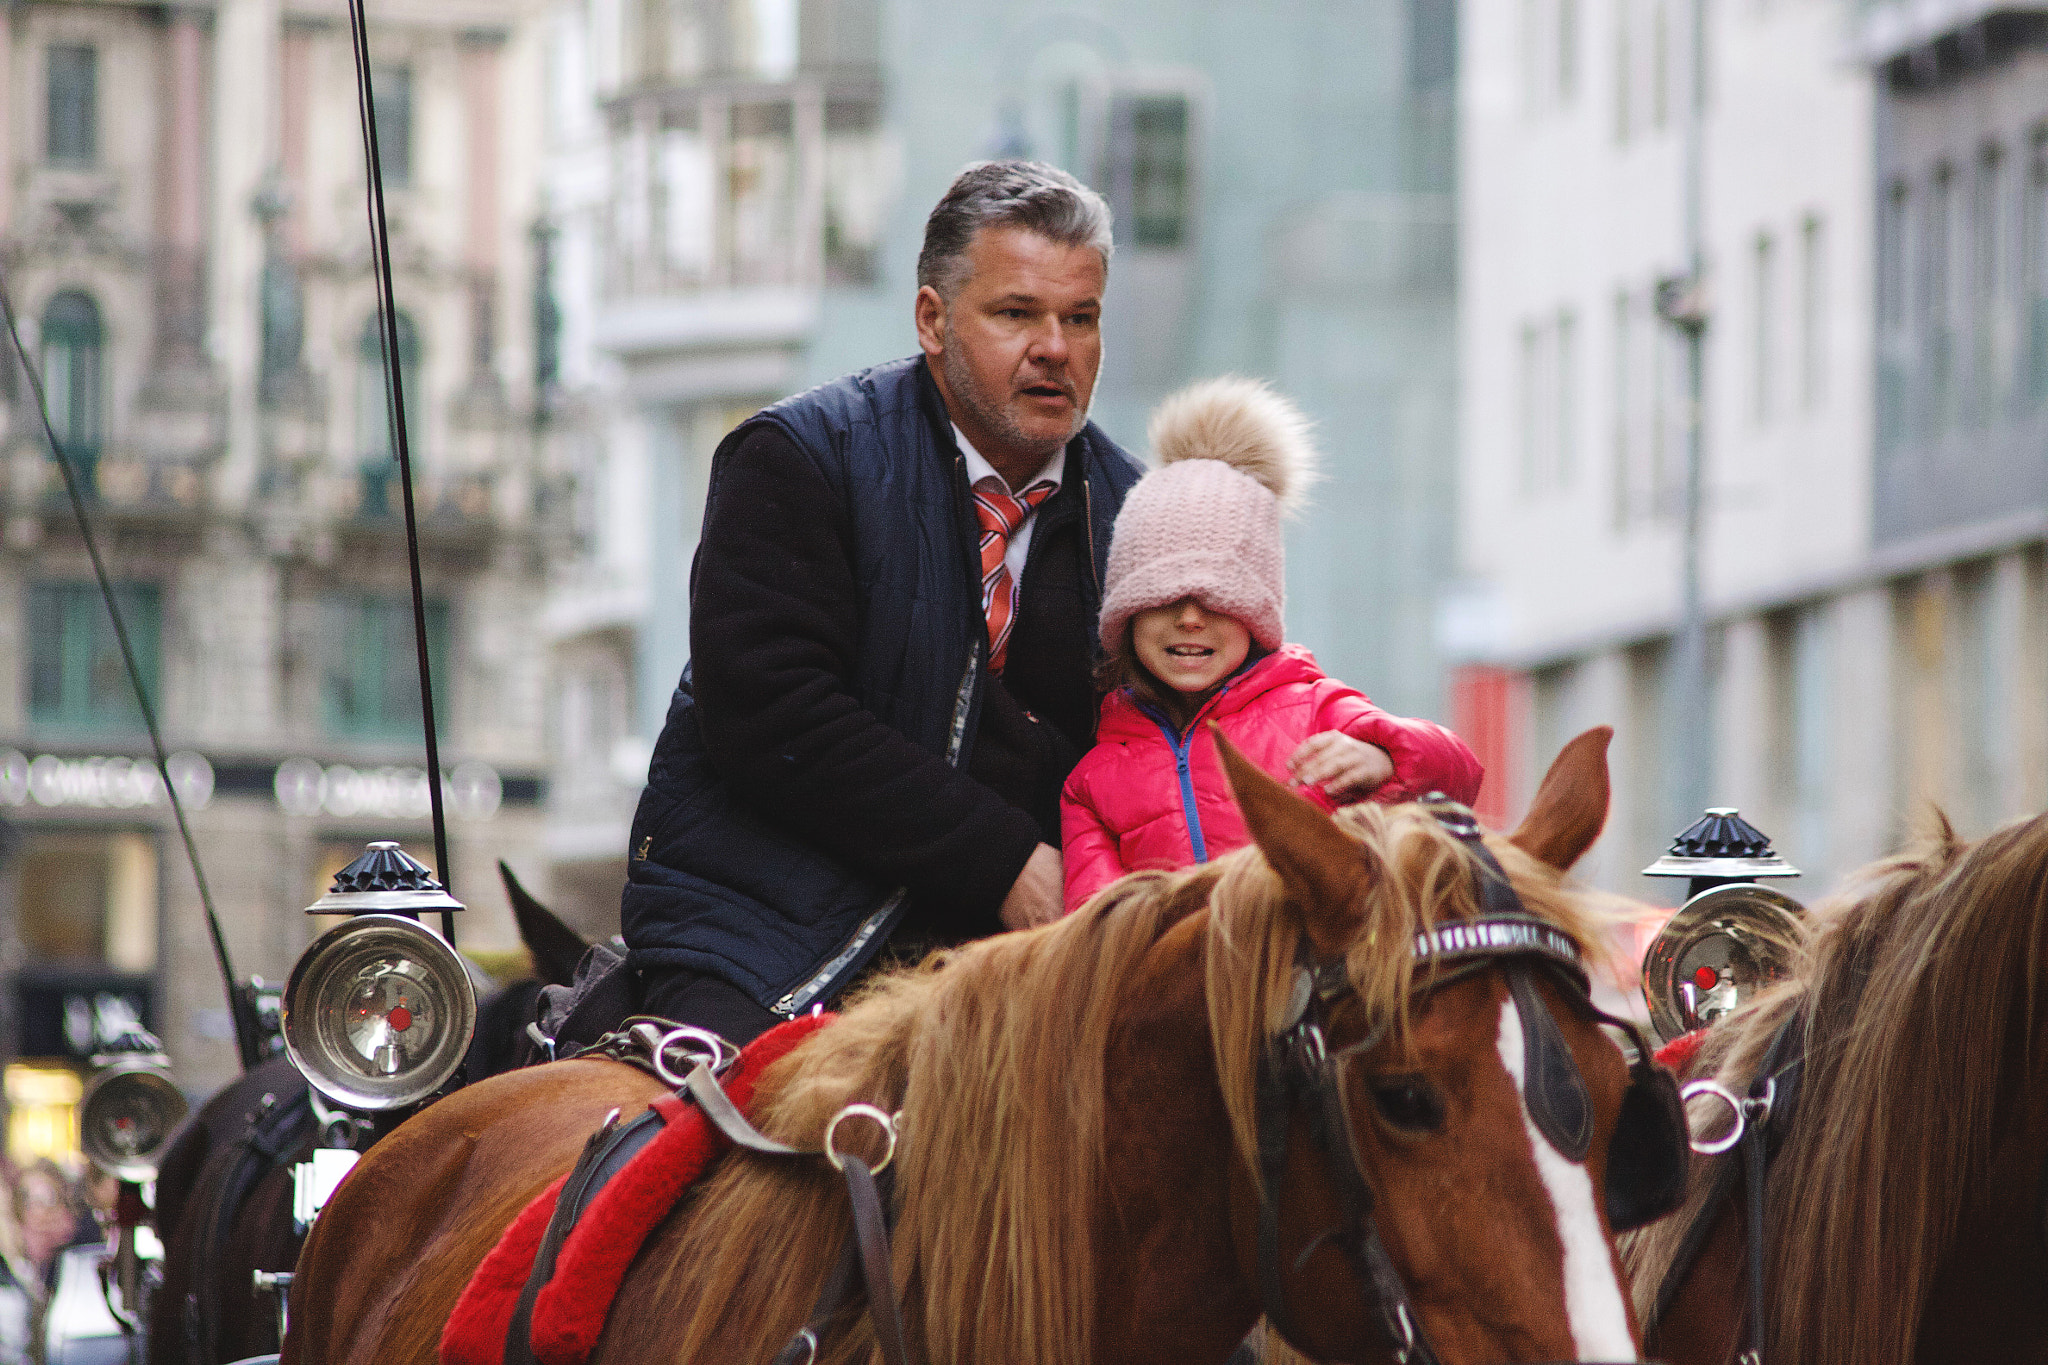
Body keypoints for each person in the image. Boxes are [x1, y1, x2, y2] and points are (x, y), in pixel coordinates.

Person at [619, 160, 1144, 1045]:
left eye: (1080, 318)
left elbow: (1204, 733)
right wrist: (1005, 860)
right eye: (1017, 313)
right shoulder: (797, 457)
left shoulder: (1137, 517)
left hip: (1027, 971)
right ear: (932, 320)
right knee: (725, 1164)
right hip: (767, 945)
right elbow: (773, 716)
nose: (1056, 347)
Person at [1060, 376, 1483, 910]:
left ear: (1255, 613)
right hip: (1184, 990)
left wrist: (1384, 758)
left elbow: (1461, 771)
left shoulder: (1314, 710)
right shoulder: (1093, 780)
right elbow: (1094, 933)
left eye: (1218, 599)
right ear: (1126, 615)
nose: (1190, 618)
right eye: (1164, 599)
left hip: (1321, 989)